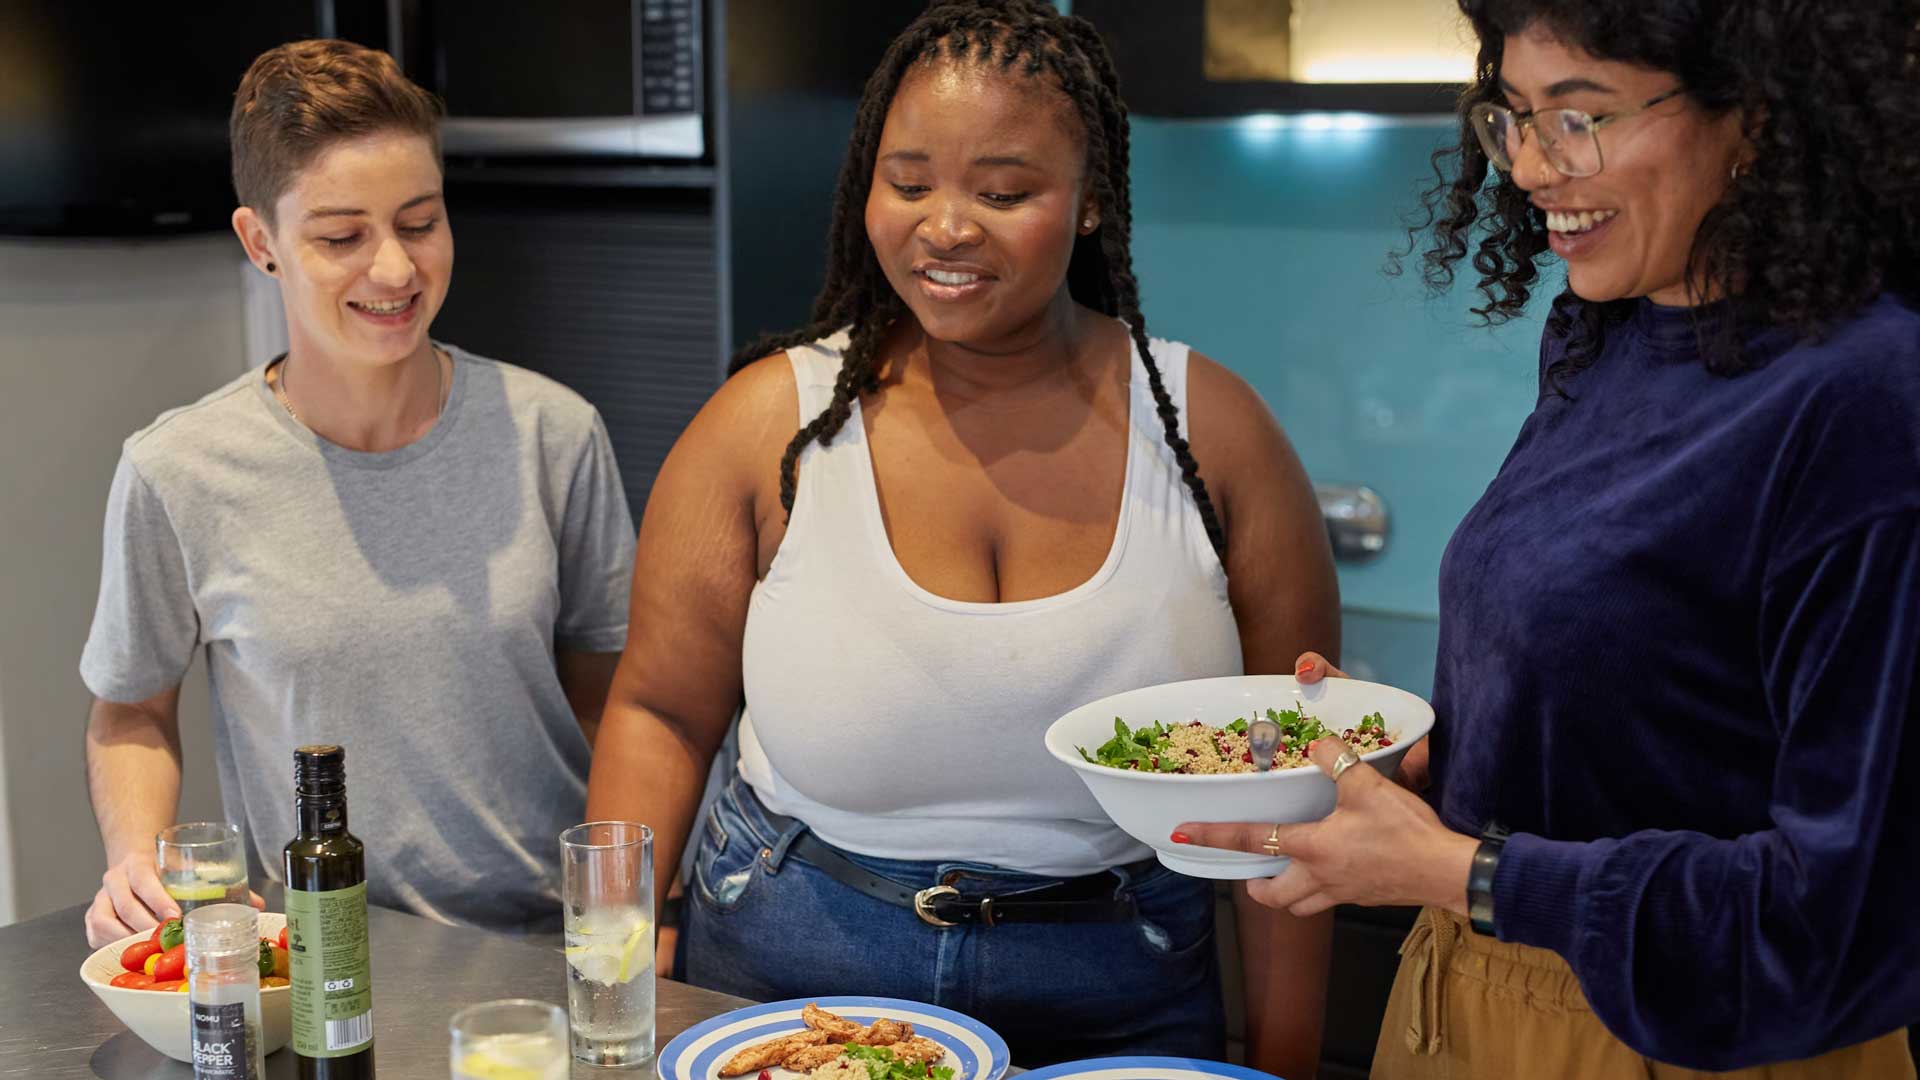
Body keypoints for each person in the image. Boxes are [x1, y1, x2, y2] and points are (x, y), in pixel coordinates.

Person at [585, 0, 1339, 1071]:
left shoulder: (1214, 434)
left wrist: (1287, 1056)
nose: (946, 225)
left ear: (1090, 204)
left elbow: (1292, 781)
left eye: (1003, 191)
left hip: (1118, 976)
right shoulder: (768, 425)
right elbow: (658, 711)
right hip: (790, 976)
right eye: (909, 182)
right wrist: (618, 969)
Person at [1174, 1, 1920, 1076]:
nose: (1527, 167)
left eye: (1579, 117)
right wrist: (1435, 767)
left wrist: (1463, 869)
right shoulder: (1610, 330)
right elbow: (1658, 711)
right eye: (1512, 117)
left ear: (1754, 115)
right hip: (1467, 1001)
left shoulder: (1866, 396)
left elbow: (1838, 924)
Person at [80, 39, 634, 945]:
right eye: (341, 237)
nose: (394, 271)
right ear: (261, 243)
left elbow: (616, 703)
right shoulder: (177, 471)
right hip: (318, 958)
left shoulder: (553, 432)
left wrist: (633, 911)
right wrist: (137, 864)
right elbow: (132, 710)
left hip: (548, 949)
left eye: (420, 222)